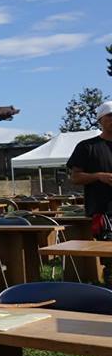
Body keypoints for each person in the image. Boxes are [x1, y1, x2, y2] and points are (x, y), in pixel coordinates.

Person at [67, 100, 112, 286]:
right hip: (104, 211)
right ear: (100, 120)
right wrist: (98, 176)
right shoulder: (88, 147)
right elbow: (75, 178)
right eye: (110, 116)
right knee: (110, 258)